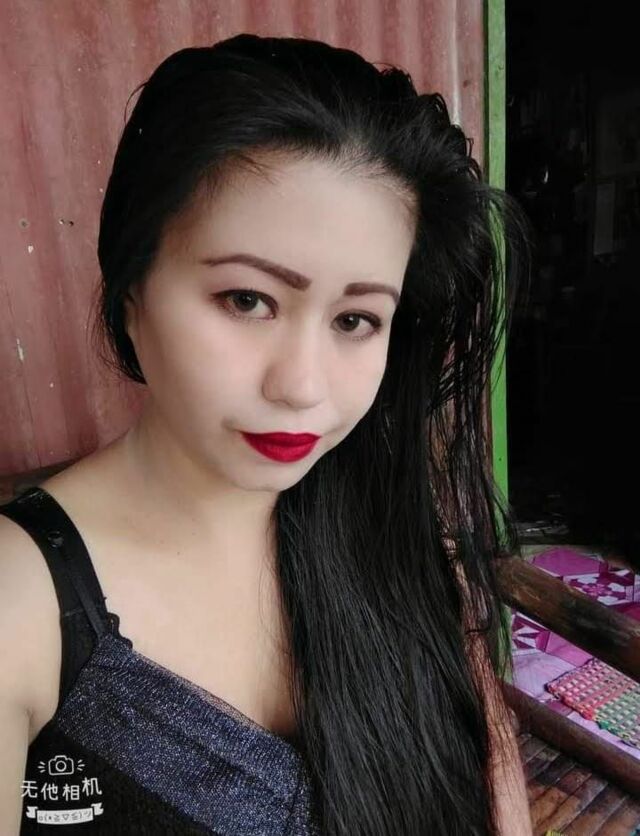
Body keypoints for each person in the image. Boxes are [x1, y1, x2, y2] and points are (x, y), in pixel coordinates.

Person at [0, 33, 533, 835]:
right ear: (132, 289)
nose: (302, 387)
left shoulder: (398, 537)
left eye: (356, 319)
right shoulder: (21, 604)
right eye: (247, 300)